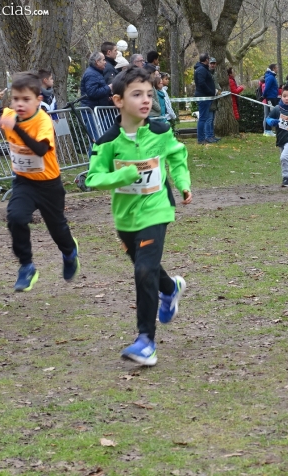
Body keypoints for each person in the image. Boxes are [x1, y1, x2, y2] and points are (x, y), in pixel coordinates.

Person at [85, 67, 192, 366]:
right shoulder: (107, 141)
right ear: (118, 101)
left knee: (143, 270)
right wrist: (123, 175)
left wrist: (182, 183)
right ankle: (170, 290)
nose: (146, 100)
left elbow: (177, 155)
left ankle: (146, 341)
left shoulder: (160, 131)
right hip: (125, 219)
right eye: (137, 94)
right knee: (148, 268)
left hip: (157, 210)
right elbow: (93, 178)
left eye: (148, 93)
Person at [0, 72, 79, 291]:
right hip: (24, 182)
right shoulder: (10, 114)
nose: (19, 104)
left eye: (26, 99)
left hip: (49, 185)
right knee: (16, 218)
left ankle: (69, 252)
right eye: (16, 99)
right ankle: (27, 266)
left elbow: (39, 150)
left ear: (38, 100)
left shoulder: (43, 122)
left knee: (58, 230)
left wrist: (15, 127)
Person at [80, 52, 113, 141]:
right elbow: (92, 93)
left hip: (95, 111)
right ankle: (94, 155)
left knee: (98, 138)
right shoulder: (91, 74)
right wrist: (108, 88)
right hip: (90, 111)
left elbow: (97, 91)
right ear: (97, 62)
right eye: (103, 60)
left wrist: (107, 97)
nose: (105, 62)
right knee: (95, 139)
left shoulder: (96, 73)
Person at [193, 53, 217, 145]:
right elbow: (201, 83)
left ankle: (204, 137)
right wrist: (210, 92)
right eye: (209, 59)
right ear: (206, 60)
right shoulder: (201, 70)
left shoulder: (203, 69)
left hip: (206, 96)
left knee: (205, 117)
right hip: (203, 97)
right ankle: (201, 138)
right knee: (203, 118)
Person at [205, 57, 221, 143]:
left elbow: (216, 84)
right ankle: (208, 136)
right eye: (211, 63)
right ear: (208, 64)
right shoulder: (207, 73)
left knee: (212, 119)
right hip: (208, 98)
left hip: (215, 99)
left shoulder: (215, 73)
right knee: (209, 119)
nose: (212, 65)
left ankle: (212, 136)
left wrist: (219, 90)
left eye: (214, 63)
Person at [262, 64, 280, 136]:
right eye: (277, 68)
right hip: (270, 98)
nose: (278, 69)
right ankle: (267, 131)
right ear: (273, 68)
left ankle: (268, 130)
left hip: (273, 97)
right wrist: (264, 95)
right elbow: (267, 88)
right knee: (270, 114)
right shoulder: (270, 77)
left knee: (271, 113)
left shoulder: (272, 77)